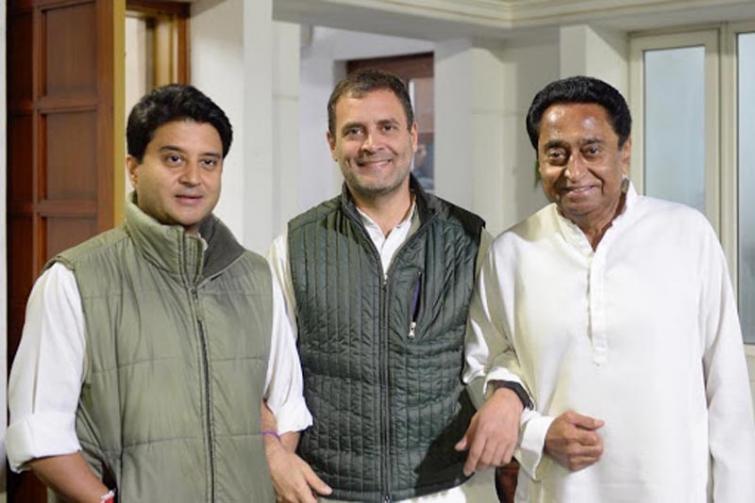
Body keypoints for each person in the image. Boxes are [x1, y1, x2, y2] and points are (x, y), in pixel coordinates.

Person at [6, 84, 310, 502]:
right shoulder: (74, 280)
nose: (193, 178)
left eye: (209, 162)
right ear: (133, 167)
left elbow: (287, 406)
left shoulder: (256, 277)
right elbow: (39, 432)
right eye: (173, 159)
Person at [467, 75, 755, 502]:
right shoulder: (511, 252)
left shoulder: (686, 235)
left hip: (674, 489)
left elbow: (726, 389)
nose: (573, 171)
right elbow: (481, 368)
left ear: (625, 151)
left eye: (592, 150)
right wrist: (538, 433)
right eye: (556, 154)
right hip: (559, 492)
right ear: (539, 161)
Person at [264, 69, 528, 502]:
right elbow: (273, 376)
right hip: (333, 490)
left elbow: (513, 346)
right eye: (354, 131)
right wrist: (274, 455)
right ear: (331, 144)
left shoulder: (470, 240)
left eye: (387, 127)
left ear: (413, 135)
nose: (372, 144)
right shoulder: (295, 246)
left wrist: (509, 396)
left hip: (451, 489)